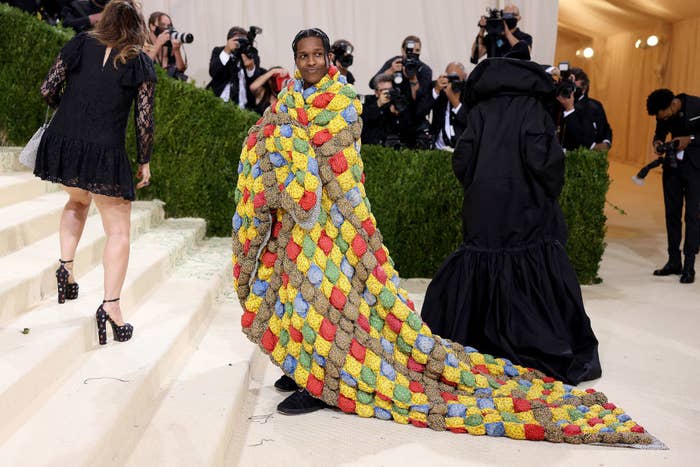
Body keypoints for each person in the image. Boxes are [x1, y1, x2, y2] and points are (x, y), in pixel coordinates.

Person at [231, 29, 650, 446]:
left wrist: (287, 138)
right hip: (294, 223)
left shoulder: (342, 104)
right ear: (294, 58)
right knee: (295, 291)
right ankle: (302, 362)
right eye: (303, 56)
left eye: (317, 54)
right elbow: (274, 136)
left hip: (336, 223)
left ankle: (326, 379)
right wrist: (280, 138)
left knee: (331, 298)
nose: (310, 62)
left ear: (329, 59)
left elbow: (329, 153)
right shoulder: (286, 102)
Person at [421, 58, 601, 386]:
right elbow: (545, 162)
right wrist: (547, 188)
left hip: (483, 204)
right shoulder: (534, 110)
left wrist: (477, 184)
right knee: (526, 259)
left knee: (483, 255)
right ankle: (525, 338)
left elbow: (462, 160)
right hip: (525, 204)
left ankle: (480, 337)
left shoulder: (480, 111)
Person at [33, 0, 156, 344]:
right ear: (136, 27)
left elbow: (47, 89)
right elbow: (143, 121)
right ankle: (111, 307)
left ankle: (65, 268)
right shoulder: (140, 61)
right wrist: (144, 160)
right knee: (118, 232)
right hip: (105, 152)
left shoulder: (80, 44)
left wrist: (72, 118)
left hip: (65, 144)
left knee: (76, 203)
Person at [647, 89, 700, 284]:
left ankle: (689, 266)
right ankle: (673, 261)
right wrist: (657, 142)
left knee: (692, 216)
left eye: (666, 115)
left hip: (696, 169)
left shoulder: (697, 105)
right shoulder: (662, 114)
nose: (664, 119)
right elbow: (659, 132)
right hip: (673, 167)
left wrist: (691, 140)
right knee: (672, 214)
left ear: (674, 104)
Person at [369, 35, 434, 148]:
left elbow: (421, 100)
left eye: (417, 50)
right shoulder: (395, 62)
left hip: (414, 121)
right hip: (392, 118)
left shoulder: (424, 70)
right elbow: (373, 84)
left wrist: (413, 78)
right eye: (410, 50)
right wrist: (390, 70)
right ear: (403, 50)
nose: (413, 53)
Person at [207, 26, 266, 109]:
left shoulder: (251, 55)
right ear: (229, 41)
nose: (240, 44)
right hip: (218, 103)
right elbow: (213, 72)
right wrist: (227, 51)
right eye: (238, 41)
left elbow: (255, 83)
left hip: (243, 108)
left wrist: (250, 67)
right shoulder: (219, 51)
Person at [360, 74, 408, 147]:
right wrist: (378, 104)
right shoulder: (368, 101)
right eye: (383, 90)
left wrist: (397, 113)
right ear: (376, 92)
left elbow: (408, 125)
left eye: (390, 90)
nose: (388, 93)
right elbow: (362, 120)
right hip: (372, 146)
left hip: (394, 146)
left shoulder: (398, 101)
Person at [429, 62, 469, 150]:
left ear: (464, 77)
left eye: (457, 79)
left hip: (461, 149)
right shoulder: (439, 88)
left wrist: (455, 102)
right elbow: (421, 111)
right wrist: (436, 91)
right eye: (451, 78)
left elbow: (471, 122)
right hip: (438, 148)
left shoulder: (470, 93)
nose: (454, 83)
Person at [145, 11, 187, 81]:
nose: (166, 28)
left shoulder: (170, 42)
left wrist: (177, 50)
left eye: (169, 25)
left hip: (169, 84)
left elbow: (181, 69)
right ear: (152, 26)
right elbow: (144, 66)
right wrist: (158, 44)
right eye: (162, 25)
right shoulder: (144, 43)